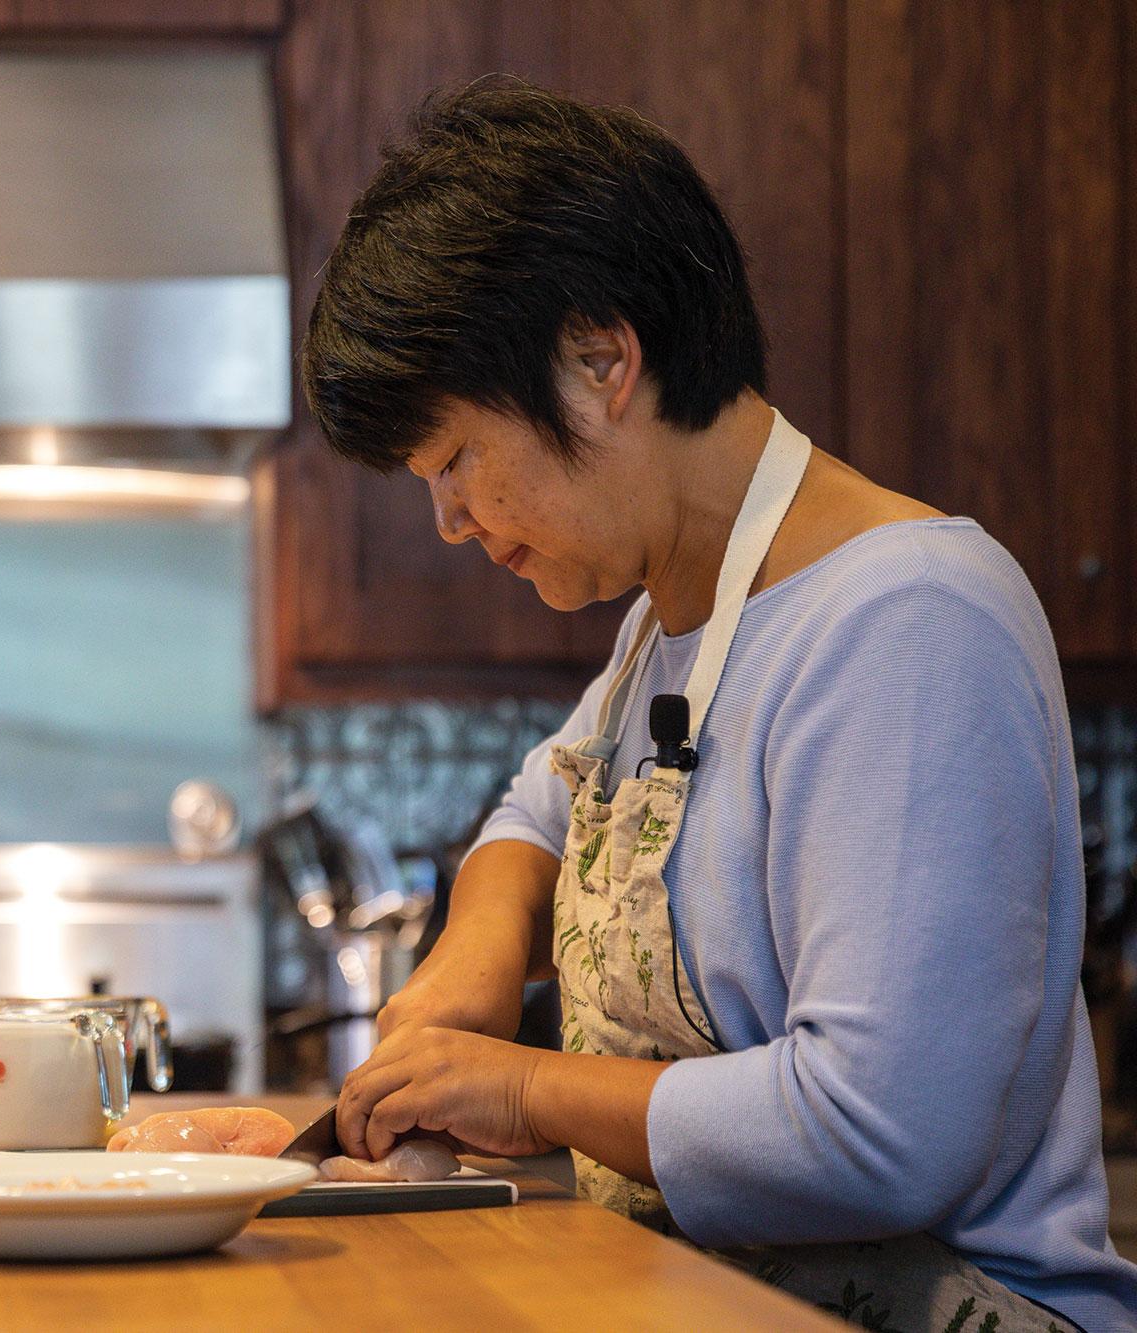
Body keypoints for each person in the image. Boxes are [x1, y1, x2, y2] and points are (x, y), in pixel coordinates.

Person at [301, 79, 1137, 1333]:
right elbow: (537, 812)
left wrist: (520, 1089)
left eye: (455, 459)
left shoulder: (909, 619)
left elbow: (877, 1130)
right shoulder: (668, 625)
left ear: (600, 360)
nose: (452, 520)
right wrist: (466, 970)